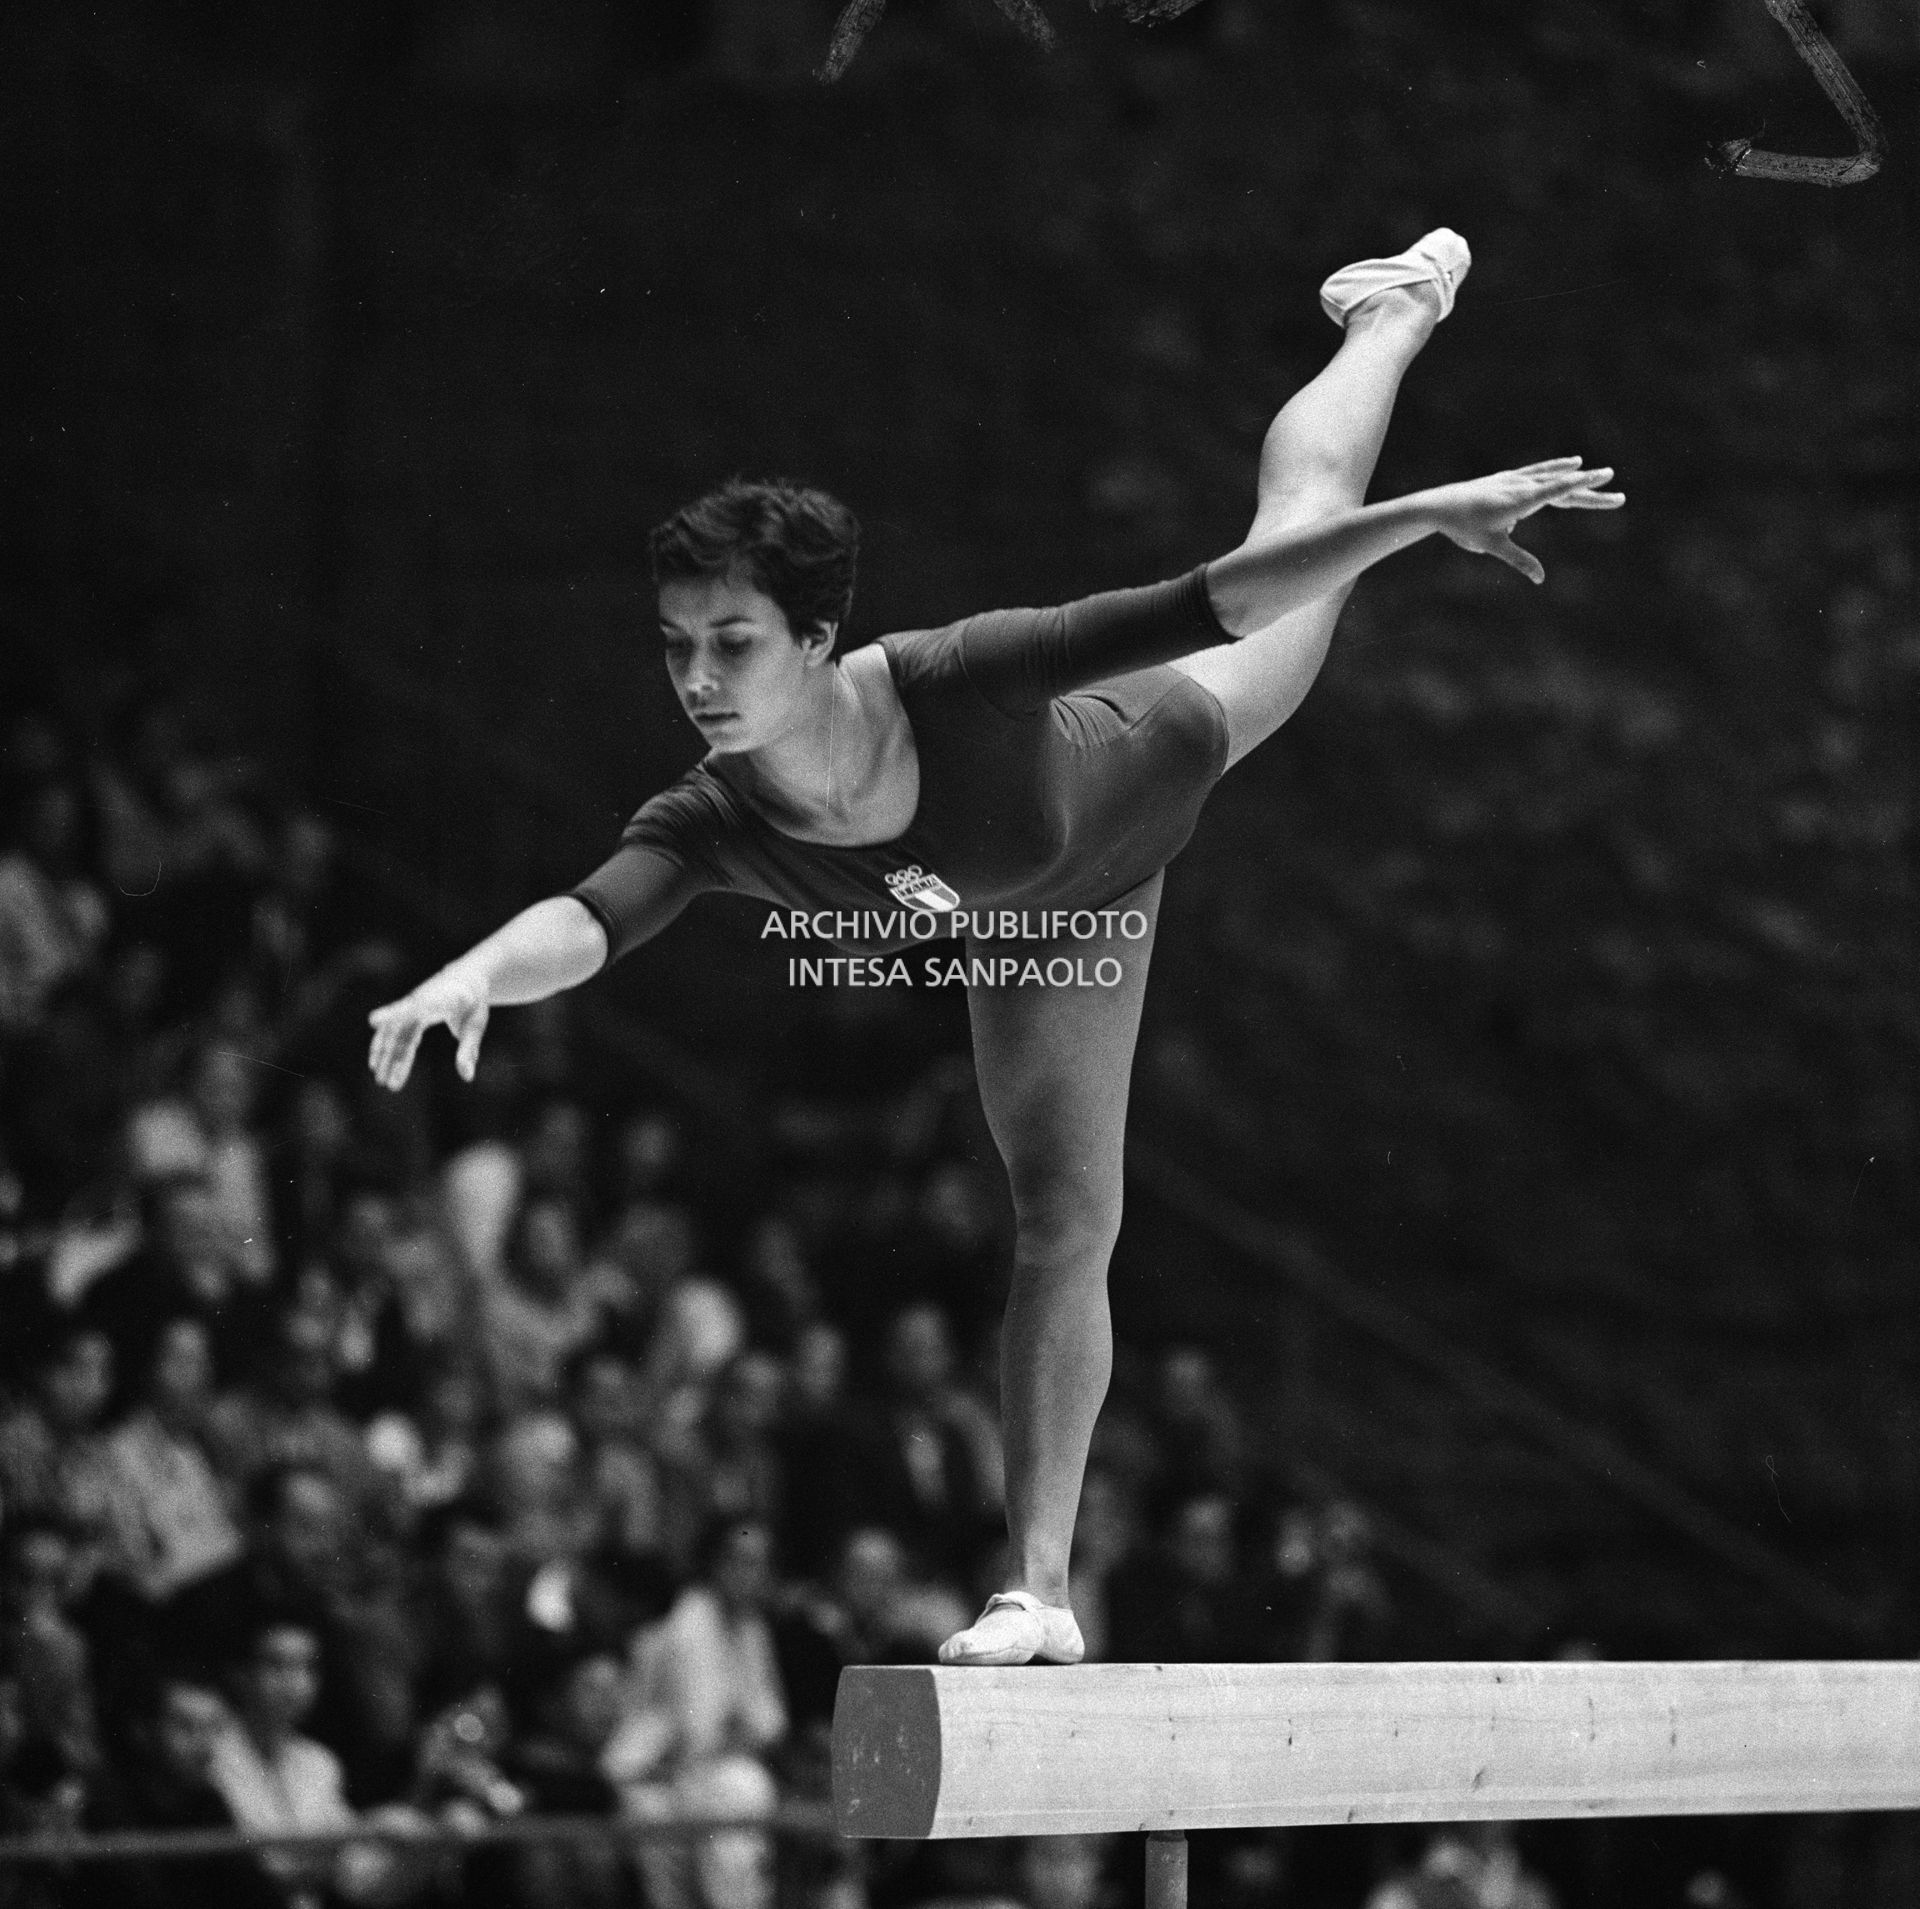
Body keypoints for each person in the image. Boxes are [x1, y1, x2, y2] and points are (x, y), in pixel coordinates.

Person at [368, 231, 1623, 1666]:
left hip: (1166, 745)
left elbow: (1218, 599)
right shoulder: (718, 814)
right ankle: (1039, 1591)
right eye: (675, 644)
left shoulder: (955, 676)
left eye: (732, 643)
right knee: (1065, 1218)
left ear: (815, 636)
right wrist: (475, 970)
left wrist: (1429, 516)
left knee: (1303, 525)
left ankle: (1394, 314)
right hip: (1056, 917)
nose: (697, 679)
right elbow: (594, 916)